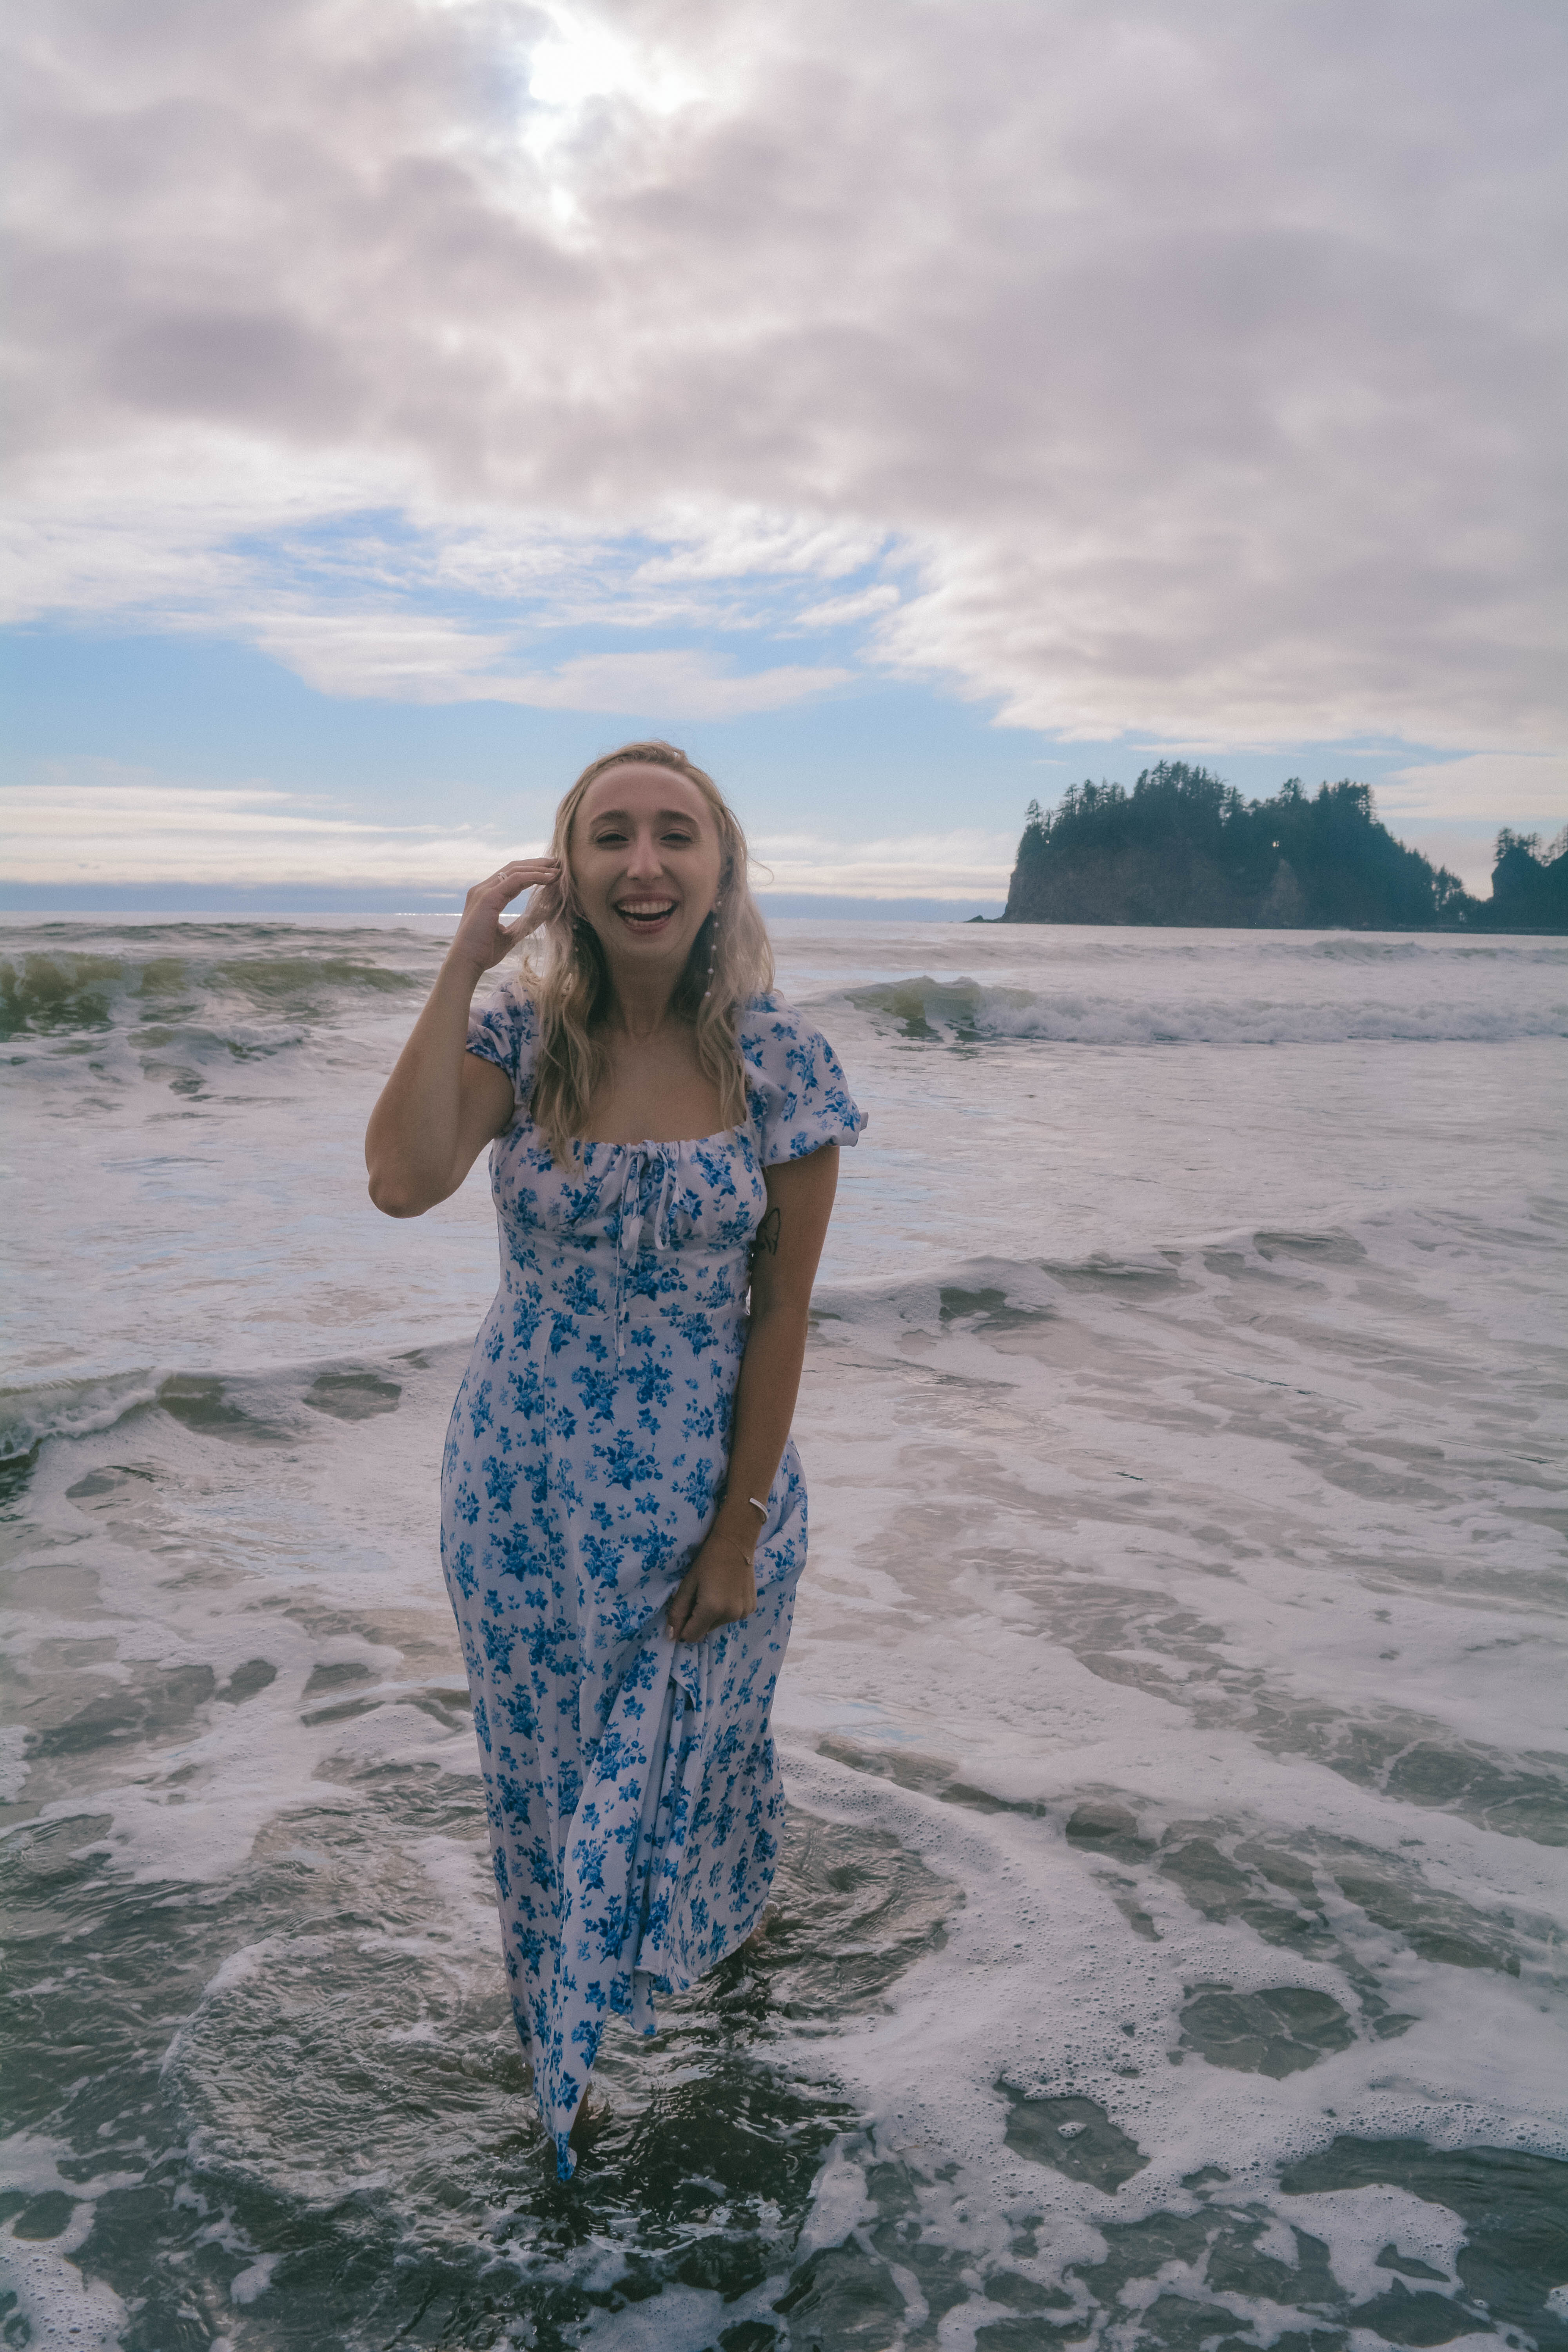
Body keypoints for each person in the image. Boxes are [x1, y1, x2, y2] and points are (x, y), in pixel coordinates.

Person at [364, 740, 866, 2176]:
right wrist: (463, 961)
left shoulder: (784, 1066)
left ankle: (729, 1935)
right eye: (609, 836)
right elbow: (402, 1184)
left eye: (675, 834)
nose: (644, 862)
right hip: (522, 1493)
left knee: (694, 1765)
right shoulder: (518, 1041)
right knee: (542, 1796)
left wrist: (738, 1529)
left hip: (710, 1496)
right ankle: (563, 2079)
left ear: (720, 870)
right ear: (569, 872)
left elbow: (782, 1316)